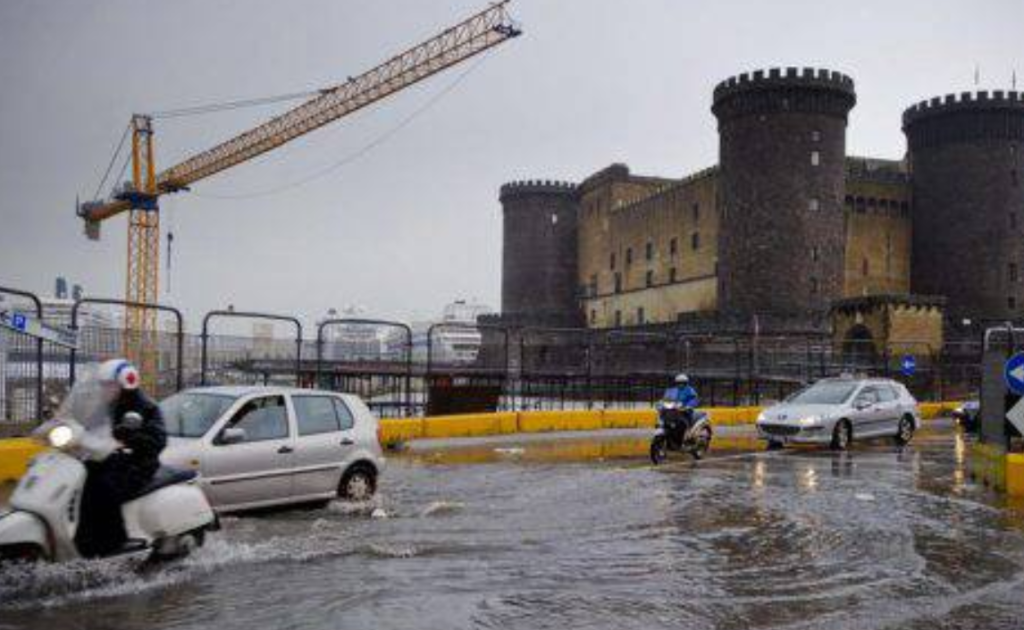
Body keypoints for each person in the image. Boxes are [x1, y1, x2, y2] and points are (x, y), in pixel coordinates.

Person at [75, 359, 167, 558]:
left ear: (126, 383)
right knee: (81, 477)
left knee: (104, 487)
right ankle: (82, 539)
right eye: (102, 385)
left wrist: (130, 436)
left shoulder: (145, 407)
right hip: (112, 459)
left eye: (109, 385)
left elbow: (158, 440)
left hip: (140, 464)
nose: (104, 389)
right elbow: (87, 425)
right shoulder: (106, 405)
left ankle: (115, 542)